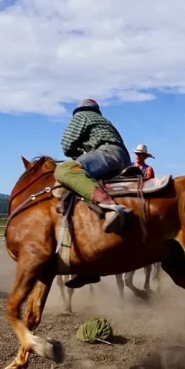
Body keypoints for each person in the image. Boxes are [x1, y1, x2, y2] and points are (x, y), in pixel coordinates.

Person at [54, 98, 132, 289]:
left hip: (107, 154)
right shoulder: (104, 122)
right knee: (84, 191)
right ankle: (88, 268)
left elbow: (66, 144)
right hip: (120, 157)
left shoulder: (82, 116)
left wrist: (75, 152)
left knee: (64, 171)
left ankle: (109, 205)